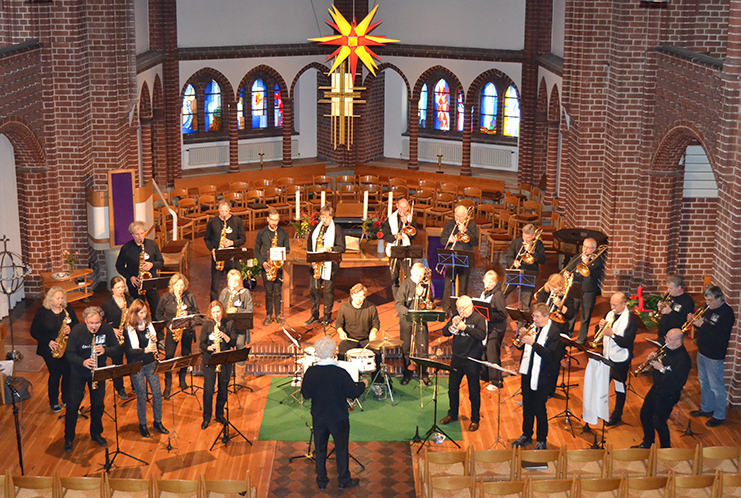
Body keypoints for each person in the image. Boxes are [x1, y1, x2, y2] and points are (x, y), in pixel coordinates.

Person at [301, 336, 367, 491]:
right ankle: (344, 480)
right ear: (334, 352)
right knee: (342, 448)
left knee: (320, 448)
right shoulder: (340, 373)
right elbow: (353, 392)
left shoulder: (311, 372)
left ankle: (321, 480)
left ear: (317, 352)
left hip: (319, 416)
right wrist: (363, 385)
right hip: (338, 417)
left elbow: (306, 393)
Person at [63, 306, 117, 453]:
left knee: (98, 404)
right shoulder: (77, 331)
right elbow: (69, 353)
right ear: (85, 321)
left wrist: (106, 350)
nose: (95, 326)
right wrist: (83, 362)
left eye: (97, 323)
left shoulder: (106, 329)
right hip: (79, 372)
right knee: (73, 405)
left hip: (98, 372)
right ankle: (68, 438)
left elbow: (117, 348)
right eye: (91, 323)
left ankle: (96, 433)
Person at [512, 303, 566, 449]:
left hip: (543, 376)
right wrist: (522, 338)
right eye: (533, 316)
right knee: (527, 407)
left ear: (546, 317)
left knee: (539, 409)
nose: (534, 319)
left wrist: (533, 343)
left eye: (537, 317)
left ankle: (542, 439)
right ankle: (526, 435)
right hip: (528, 373)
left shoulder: (554, 332)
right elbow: (521, 347)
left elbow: (550, 356)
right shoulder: (534, 328)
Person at [633, 328, 691, 449]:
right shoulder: (666, 349)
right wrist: (653, 358)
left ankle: (666, 448)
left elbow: (677, 382)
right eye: (666, 338)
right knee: (645, 414)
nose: (666, 341)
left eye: (669, 339)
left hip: (669, 394)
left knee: (659, 421)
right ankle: (648, 442)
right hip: (657, 388)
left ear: (678, 342)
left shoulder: (683, 359)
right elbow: (656, 364)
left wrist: (661, 369)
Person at [122, 299, 169, 438]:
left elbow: (152, 343)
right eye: (141, 313)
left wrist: (154, 341)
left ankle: (157, 421)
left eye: (145, 312)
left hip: (149, 363)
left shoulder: (148, 325)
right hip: (136, 365)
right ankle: (142, 424)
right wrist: (145, 350)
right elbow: (129, 352)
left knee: (157, 393)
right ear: (134, 313)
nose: (143, 315)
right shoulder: (128, 328)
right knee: (142, 394)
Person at [439, 295, 487, 432]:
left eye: (463, 308)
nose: (461, 311)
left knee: (474, 392)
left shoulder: (479, 318)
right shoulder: (456, 316)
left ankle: (475, 419)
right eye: (459, 308)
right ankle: (452, 414)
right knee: (452, 389)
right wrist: (452, 325)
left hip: (472, 360)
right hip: (457, 359)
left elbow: (481, 335)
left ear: (471, 306)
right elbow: (444, 332)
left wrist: (465, 328)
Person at [689, 286, 735, 427]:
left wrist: (702, 325)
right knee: (704, 381)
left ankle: (719, 415)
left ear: (719, 298)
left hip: (715, 355)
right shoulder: (709, 309)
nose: (707, 303)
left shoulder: (726, 314)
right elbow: (706, 329)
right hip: (703, 351)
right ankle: (706, 408)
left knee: (716, 386)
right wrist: (695, 323)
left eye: (710, 300)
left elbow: (720, 336)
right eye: (706, 300)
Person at [30, 287, 79, 413]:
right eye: (58, 298)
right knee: (55, 374)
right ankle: (53, 401)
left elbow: (77, 324)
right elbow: (34, 331)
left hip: (66, 347)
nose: (60, 301)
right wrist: (49, 342)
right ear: (50, 299)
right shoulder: (43, 312)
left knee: (67, 373)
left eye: (62, 298)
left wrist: (71, 328)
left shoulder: (67, 309)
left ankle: (66, 398)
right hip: (49, 349)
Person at [155, 273, 200, 398]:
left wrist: (187, 312)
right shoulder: (166, 297)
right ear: (172, 286)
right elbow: (158, 314)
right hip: (172, 331)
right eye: (177, 285)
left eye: (182, 285)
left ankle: (182, 379)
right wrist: (169, 325)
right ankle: (168, 384)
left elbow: (197, 313)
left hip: (186, 330)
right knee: (169, 356)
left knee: (185, 355)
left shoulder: (190, 297)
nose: (180, 288)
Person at [598, 292, 637, 426]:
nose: (612, 307)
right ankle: (600, 409)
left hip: (621, 359)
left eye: (615, 304)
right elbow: (601, 333)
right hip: (607, 356)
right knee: (603, 384)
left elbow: (627, 342)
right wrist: (600, 327)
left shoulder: (630, 320)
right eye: (611, 304)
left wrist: (612, 335)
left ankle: (617, 415)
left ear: (623, 304)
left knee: (619, 387)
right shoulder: (609, 315)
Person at [303, 205, 346, 326]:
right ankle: (314, 315)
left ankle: (327, 316)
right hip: (316, 265)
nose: (324, 220)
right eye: (322, 217)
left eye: (327, 217)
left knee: (328, 291)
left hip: (330, 266)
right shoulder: (316, 228)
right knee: (314, 290)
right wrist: (311, 258)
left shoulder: (337, 230)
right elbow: (310, 244)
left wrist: (330, 248)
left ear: (331, 217)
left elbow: (342, 248)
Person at [199, 300, 236, 430]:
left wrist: (225, 336)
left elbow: (233, 342)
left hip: (224, 360)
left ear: (222, 311)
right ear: (210, 313)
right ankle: (206, 417)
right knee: (208, 390)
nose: (216, 315)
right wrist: (210, 347)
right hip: (210, 360)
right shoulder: (207, 325)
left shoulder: (229, 323)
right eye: (214, 312)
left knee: (223, 388)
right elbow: (201, 344)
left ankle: (219, 414)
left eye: (218, 311)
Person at [115, 220, 164, 314]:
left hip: (151, 281)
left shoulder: (152, 244)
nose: (140, 236)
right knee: (138, 309)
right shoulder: (126, 248)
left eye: (142, 233)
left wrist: (152, 265)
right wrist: (130, 277)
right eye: (137, 234)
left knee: (156, 307)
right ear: (132, 234)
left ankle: (156, 327)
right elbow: (119, 266)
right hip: (135, 283)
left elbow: (161, 262)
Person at [395, 262, 431, 385]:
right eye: (416, 275)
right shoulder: (405, 285)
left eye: (421, 276)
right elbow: (398, 304)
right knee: (406, 349)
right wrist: (408, 313)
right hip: (407, 320)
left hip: (421, 319)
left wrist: (422, 295)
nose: (418, 278)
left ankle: (423, 374)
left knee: (423, 348)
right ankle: (407, 374)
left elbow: (429, 304)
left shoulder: (425, 285)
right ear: (411, 273)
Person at [564, 238, 605, 344]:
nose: (585, 249)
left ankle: (581, 340)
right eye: (584, 246)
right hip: (575, 289)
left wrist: (587, 264)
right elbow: (569, 268)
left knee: (585, 316)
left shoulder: (597, 260)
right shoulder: (577, 257)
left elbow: (595, 276)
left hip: (589, 291)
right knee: (572, 313)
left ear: (594, 249)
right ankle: (567, 335)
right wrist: (567, 272)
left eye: (588, 247)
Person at [439, 205, 479, 314]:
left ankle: (462, 310)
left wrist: (465, 230)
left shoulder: (471, 225)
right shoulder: (450, 224)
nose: (458, 219)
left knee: (463, 287)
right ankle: (446, 309)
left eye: (461, 217)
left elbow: (474, 241)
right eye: (456, 216)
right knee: (448, 284)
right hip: (451, 258)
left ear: (466, 216)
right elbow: (442, 240)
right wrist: (449, 239)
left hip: (465, 258)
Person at [204, 199, 247, 301]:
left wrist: (232, 243)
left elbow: (243, 239)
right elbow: (207, 239)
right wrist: (212, 250)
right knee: (215, 286)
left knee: (237, 283)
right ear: (218, 210)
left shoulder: (237, 221)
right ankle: (214, 307)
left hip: (232, 258)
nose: (224, 214)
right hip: (218, 257)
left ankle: (238, 305)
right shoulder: (212, 222)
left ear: (230, 210)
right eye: (221, 211)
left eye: (226, 211)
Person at [100, 276, 134, 400]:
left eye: (122, 287)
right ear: (112, 289)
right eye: (118, 287)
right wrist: (112, 330)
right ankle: (120, 388)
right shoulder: (107, 304)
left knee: (132, 360)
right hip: (115, 337)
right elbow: (100, 322)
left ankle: (134, 384)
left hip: (129, 334)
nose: (121, 290)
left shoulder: (129, 300)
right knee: (117, 363)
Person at [255, 207, 290, 325]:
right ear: (267, 220)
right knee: (268, 293)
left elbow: (288, 249)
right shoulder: (262, 233)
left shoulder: (283, 233)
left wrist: (280, 258)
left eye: (276, 220)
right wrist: (263, 262)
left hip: (278, 267)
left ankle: (278, 314)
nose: (274, 223)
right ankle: (269, 315)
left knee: (278, 292)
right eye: (272, 220)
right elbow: (256, 250)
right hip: (267, 267)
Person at [335, 283, 380, 374]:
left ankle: (377, 381)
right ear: (351, 295)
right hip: (349, 339)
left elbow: (376, 323)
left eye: (360, 296)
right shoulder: (343, 308)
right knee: (341, 353)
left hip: (366, 340)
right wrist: (341, 332)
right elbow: (339, 324)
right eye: (355, 296)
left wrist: (373, 332)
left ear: (364, 296)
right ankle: (343, 378)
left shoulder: (371, 307)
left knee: (378, 353)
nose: (358, 299)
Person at [381, 197, 420, 299]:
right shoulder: (391, 219)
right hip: (394, 250)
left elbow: (414, 236)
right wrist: (394, 237)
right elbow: (384, 235)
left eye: (405, 208)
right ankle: (398, 302)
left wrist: (407, 223)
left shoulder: (411, 219)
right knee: (394, 278)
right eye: (400, 207)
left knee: (408, 277)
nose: (402, 210)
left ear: (408, 207)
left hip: (406, 249)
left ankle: (407, 300)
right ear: (397, 206)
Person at [504, 224, 546, 313]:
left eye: (528, 238)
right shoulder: (516, 242)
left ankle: (522, 324)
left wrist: (532, 251)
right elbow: (509, 256)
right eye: (524, 236)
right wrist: (513, 262)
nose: (525, 240)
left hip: (530, 274)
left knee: (526, 304)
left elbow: (542, 260)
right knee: (502, 293)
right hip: (515, 272)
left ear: (534, 236)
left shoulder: (538, 244)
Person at [218, 269, 253, 372]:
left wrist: (237, 310)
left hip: (240, 327)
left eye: (235, 281)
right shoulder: (225, 292)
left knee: (239, 345)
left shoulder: (245, 293)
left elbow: (250, 311)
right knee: (223, 345)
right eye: (230, 281)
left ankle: (240, 373)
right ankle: (225, 371)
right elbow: (219, 307)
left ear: (239, 282)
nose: (233, 284)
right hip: (226, 327)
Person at [478, 270, 508, 391]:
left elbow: (503, 314)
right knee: (484, 351)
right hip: (487, 327)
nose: (488, 284)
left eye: (491, 282)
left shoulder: (498, 295)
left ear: (496, 283)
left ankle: (497, 381)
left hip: (496, 329)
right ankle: (485, 375)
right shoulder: (485, 292)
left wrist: (487, 315)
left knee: (493, 354)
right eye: (486, 281)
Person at [656, 275, 695, 345]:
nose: (668, 290)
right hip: (663, 331)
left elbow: (684, 321)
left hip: (674, 336)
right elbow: (662, 312)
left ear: (679, 287)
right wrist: (659, 308)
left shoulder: (687, 301)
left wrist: (670, 312)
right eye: (668, 288)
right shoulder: (669, 296)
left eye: (671, 288)